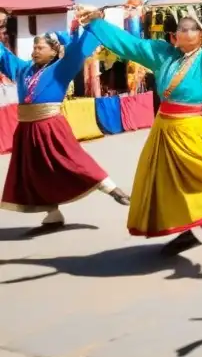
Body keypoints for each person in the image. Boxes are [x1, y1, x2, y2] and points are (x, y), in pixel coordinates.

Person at [77, 2, 202, 255]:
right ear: (174, 37)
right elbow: (129, 44)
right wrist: (97, 22)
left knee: (196, 177)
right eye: (181, 29)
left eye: (192, 28)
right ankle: (184, 231)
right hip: (163, 129)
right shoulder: (161, 54)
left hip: (189, 129)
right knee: (162, 182)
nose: (186, 31)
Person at [0, 13, 130, 228]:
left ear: (53, 51)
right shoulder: (23, 69)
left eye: (40, 48)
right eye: (34, 48)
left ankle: (111, 188)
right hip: (26, 129)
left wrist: (80, 26)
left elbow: (77, 50)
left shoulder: (61, 68)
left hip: (50, 124)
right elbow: (3, 55)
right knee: (35, 172)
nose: (34, 52)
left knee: (72, 160)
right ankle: (53, 215)